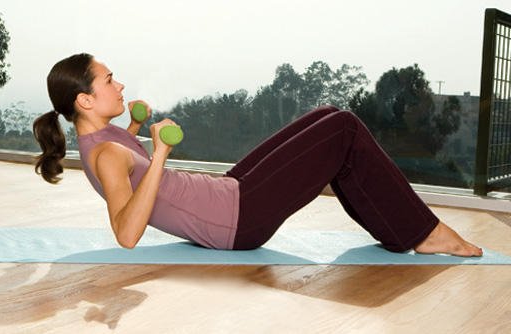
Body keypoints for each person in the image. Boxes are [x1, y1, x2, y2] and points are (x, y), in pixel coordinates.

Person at [33, 53, 482, 257]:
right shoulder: (107, 154)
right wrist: (163, 153)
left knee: (329, 115)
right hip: (237, 220)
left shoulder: (102, 139)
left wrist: (135, 125)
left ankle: (398, 231)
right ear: (85, 102)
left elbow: (128, 162)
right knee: (344, 130)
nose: (120, 85)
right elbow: (126, 233)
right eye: (109, 80)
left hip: (226, 192)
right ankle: (423, 232)